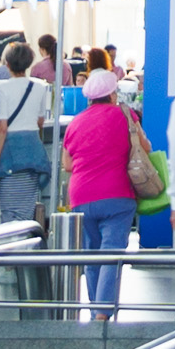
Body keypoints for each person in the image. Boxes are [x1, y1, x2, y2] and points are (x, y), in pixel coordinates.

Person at [63, 66, 144, 311]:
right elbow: (145, 148)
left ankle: (94, 309)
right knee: (111, 253)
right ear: (112, 94)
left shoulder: (76, 122)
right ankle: (101, 312)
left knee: (92, 255)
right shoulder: (126, 115)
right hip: (117, 194)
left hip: (81, 197)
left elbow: (68, 164)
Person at [0, 41, 61, 231]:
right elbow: (39, 122)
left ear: (7, 64)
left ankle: (10, 246)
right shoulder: (39, 88)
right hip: (32, 154)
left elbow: (2, 128)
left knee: (8, 212)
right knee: (26, 212)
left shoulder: (2, 89)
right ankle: (23, 244)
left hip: (10, 156)